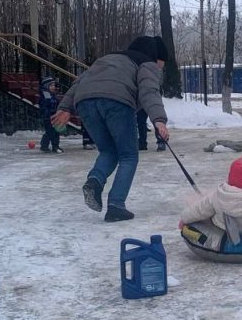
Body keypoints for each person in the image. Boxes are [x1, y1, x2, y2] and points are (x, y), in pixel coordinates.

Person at [52, 35, 170, 222]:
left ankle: (95, 181)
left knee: (108, 150)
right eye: (162, 62)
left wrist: (65, 108)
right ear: (154, 55)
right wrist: (159, 120)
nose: (161, 67)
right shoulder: (146, 63)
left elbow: (79, 82)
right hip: (117, 103)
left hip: (85, 102)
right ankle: (116, 205)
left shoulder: (107, 59)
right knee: (128, 156)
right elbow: (150, 91)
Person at [38, 76, 63, 154]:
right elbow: (46, 105)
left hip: (54, 116)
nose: (53, 87)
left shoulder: (52, 94)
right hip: (48, 117)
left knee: (54, 131)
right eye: (51, 85)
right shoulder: (46, 94)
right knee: (51, 132)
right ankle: (53, 146)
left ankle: (48, 145)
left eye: (53, 85)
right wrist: (49, 113)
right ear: (46, 86)